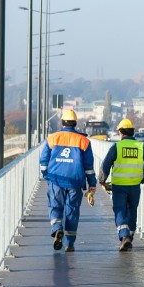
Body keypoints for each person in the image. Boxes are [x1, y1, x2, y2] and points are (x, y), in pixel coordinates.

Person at [39, 108, 97, 252]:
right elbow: (88, 166)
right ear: (75, 123)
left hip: (56, 180)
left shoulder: (52, 138)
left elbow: (43, 161)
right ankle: (69, 243)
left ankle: (57, 227)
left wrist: (46, 174)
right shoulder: (84, 141)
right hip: (75, 182)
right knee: (72, 210)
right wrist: (92, 184)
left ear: (62, 122)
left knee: (55, 206)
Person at [99, 118, 144, 251]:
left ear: (121, 133)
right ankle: (130, 236)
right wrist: (142, 180)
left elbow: (105, 166)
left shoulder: (117, 147)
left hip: (119, 186)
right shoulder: (142, 147)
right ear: (132, 132)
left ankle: (124, 236)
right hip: (135, 186)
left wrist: (101, 181)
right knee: (132, 210)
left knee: (120, 210)